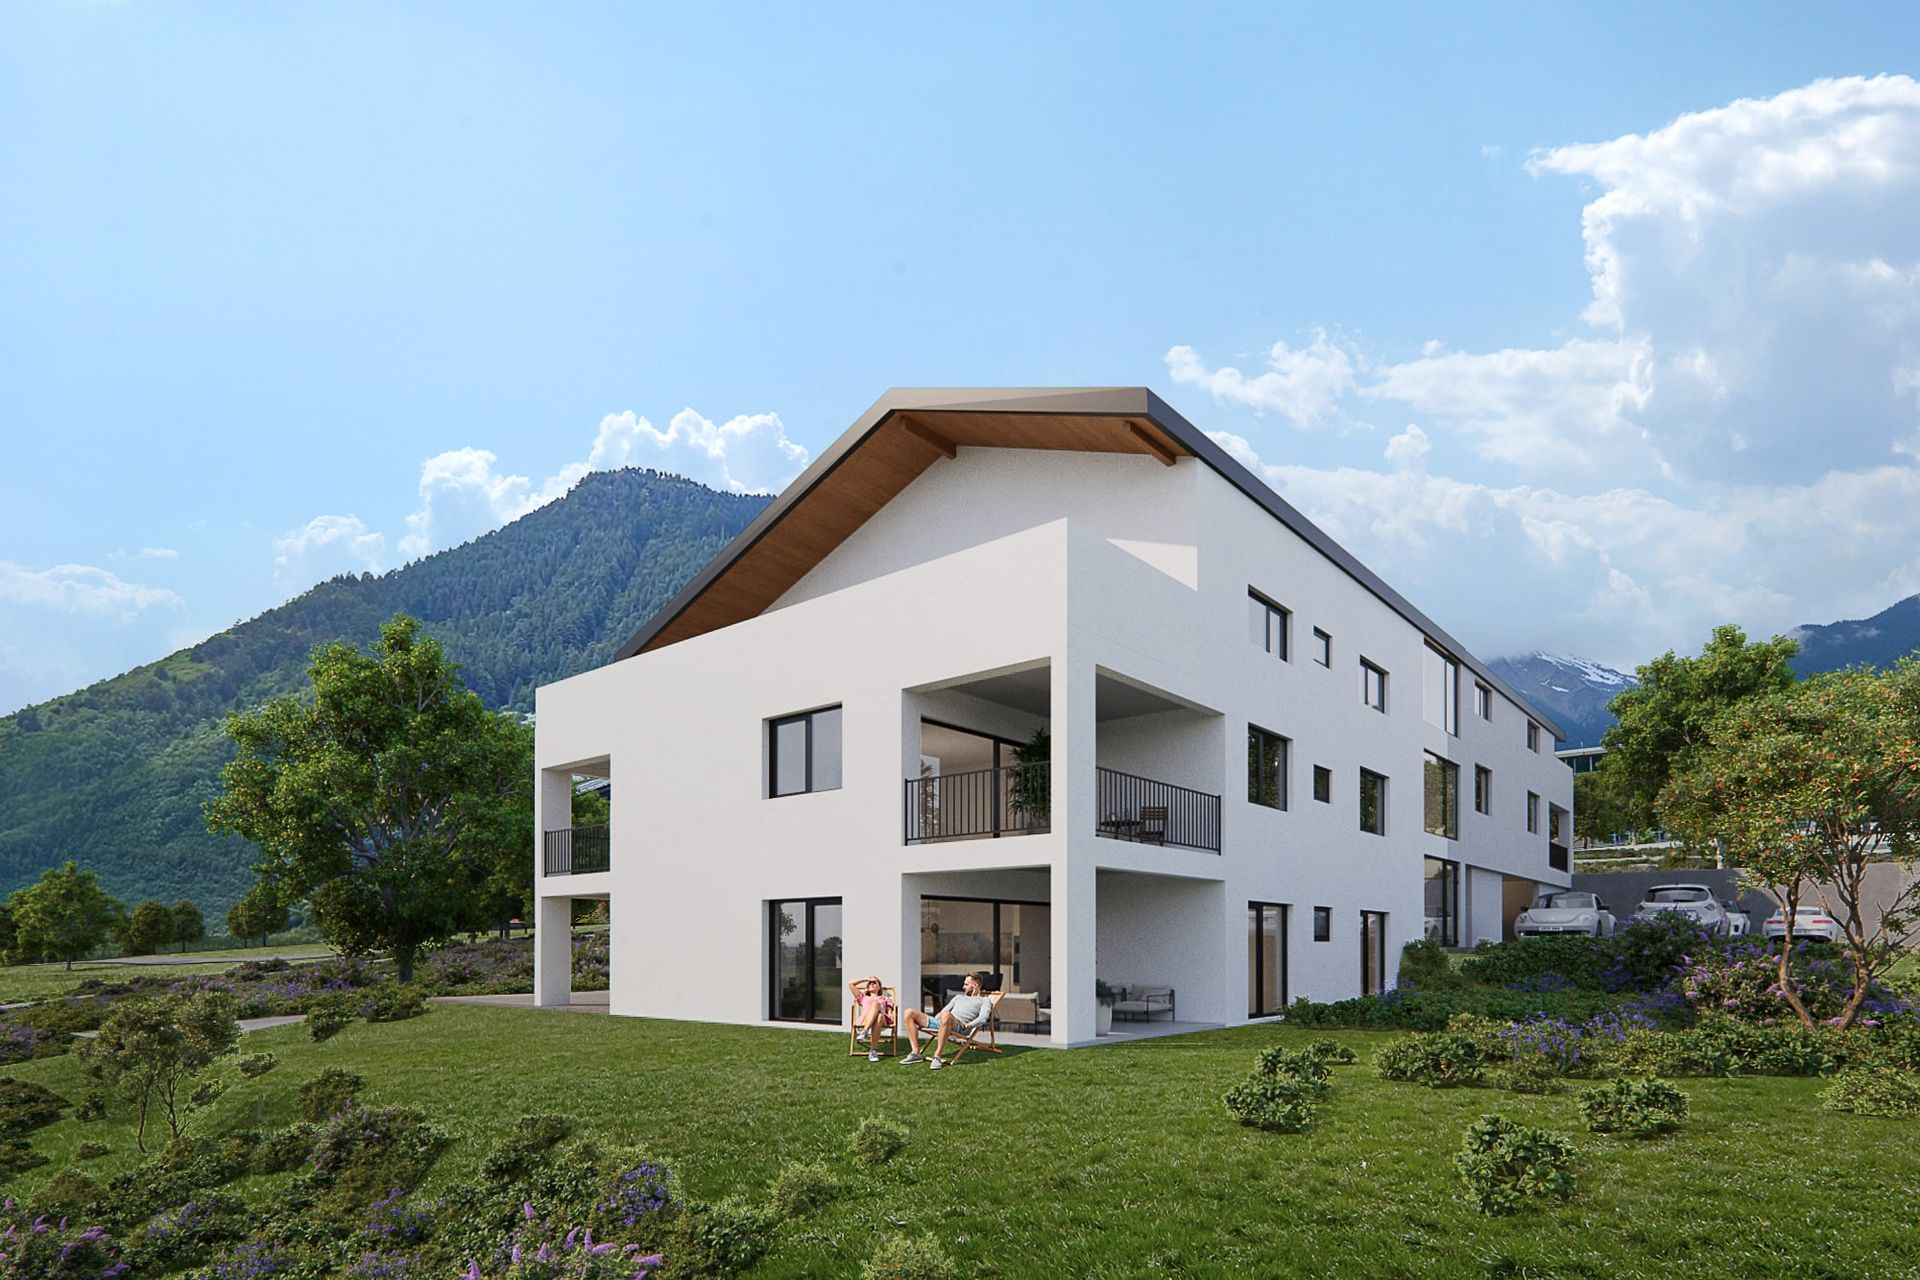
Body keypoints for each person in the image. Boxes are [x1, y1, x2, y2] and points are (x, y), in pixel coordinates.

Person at [900, 971, 994, 1069]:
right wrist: (932, 1022)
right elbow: (942, 1012)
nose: (963, 987)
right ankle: (915, 1053)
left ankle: (937, 1056)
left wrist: (968, 1025)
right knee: (909, 1012)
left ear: (975, 985)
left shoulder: (984, 1001)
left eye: (966, 984)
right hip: (943, 1022)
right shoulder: (958, 997)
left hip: (960, 1027)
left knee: (947, 1015)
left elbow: (983, 1018)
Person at [848, 975, 895, 1063]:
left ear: (879, 987)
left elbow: (889, 1011)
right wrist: (865, 979)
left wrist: (891, 1014)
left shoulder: (885, 998)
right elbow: (851, 984)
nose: (871, 984)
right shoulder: (863, 997)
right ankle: (873, 1051)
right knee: (878, 1013)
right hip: (867, 1019)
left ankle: (864, 1032)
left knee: (877, 1009)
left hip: (883, 1021)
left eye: (874, 983)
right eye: (870, 983)